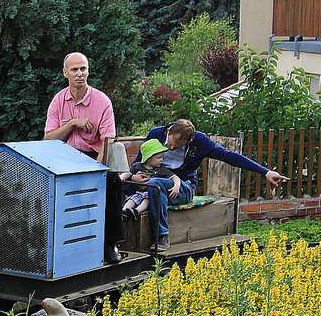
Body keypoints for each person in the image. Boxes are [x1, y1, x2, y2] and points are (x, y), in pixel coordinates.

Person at [132, 119, 287, 252]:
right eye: (172, 142)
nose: (172, 148)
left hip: (182, 187)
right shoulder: (156, 134)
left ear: (189, 141)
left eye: (179, 144)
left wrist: (265, 172)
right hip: (153, 184)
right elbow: (140, 161)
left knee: (155, 184)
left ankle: (162, 237)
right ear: (168, 131)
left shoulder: (200, 142)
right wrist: (134, 177)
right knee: (136, 184)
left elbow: (228, 156)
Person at [45, 52, 124, 264]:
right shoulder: (58, 100)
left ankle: (111, 243)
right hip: (64, 158)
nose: (80, 74)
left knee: (112, 183)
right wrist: (72, 123)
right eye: (74, 70)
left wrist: (97, 170)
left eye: (83, 69)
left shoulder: (102, 101)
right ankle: (53, 246)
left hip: (92, 157)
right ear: (65, 73)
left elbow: (108, 141)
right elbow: (48, 138)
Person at [119, 138, 180, 222]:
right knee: (132, 199)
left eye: (162, 157)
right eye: (159, 157)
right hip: (138, 193)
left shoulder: (161, 169)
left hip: (150, 194)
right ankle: (125, 211)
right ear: (149, 158)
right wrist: (122, 177)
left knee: (147, 199)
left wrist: (177, 185)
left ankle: (137, 211)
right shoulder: (137, 166)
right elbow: (129, 173)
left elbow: (174, 177)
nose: (162, 160)